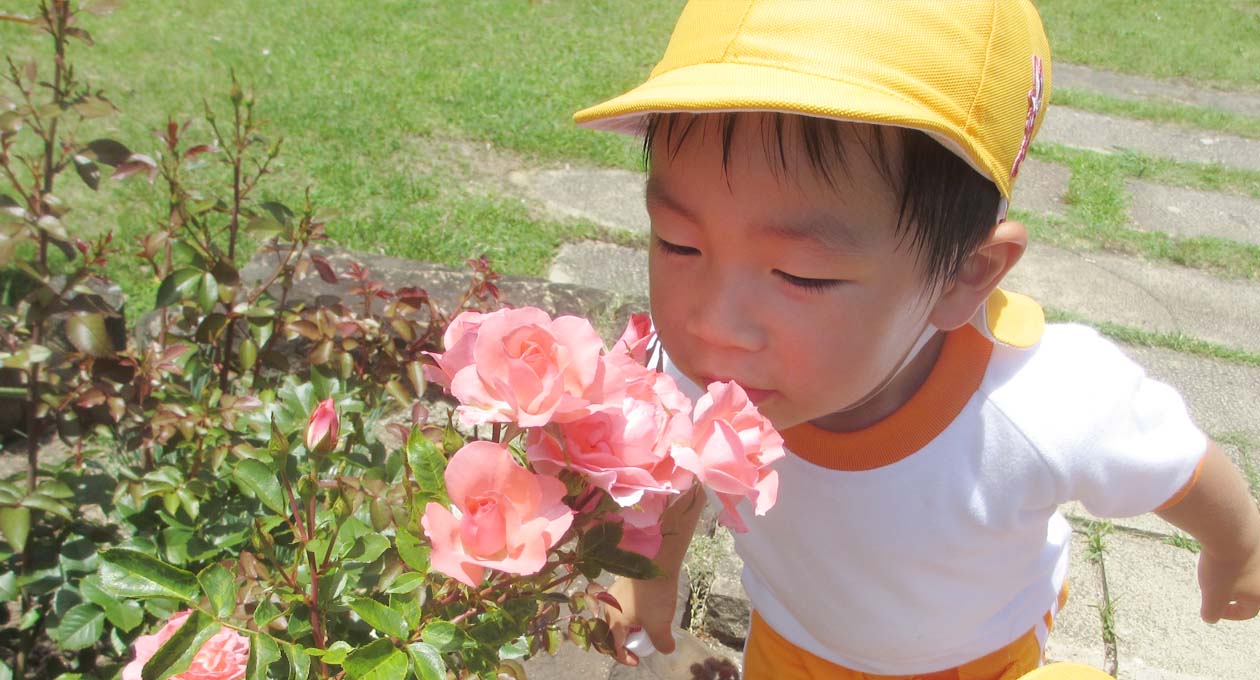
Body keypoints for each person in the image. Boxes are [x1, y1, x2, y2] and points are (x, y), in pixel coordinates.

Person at [571, 1, 1260, 678]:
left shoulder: (1043, 401)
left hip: (975, 658)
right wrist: (650, 574)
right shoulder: (700, 366)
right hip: (792, 642)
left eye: (800, 274)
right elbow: (677, 472)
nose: (712, 324)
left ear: (966, 275)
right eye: (679, 243)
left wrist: (1240, 548)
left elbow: (1178, 466)